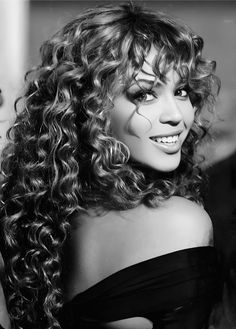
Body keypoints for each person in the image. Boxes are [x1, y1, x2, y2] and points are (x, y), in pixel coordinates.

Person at [0, 3, 222, 329]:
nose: (176, 115)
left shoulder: (26, 219)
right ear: (91, 106)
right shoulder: (181, 222)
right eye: (144, 95)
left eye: (182, 91)